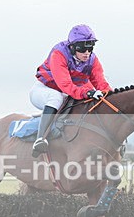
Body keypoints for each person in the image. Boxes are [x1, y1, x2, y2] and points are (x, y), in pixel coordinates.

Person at [30, 24, 112, 157]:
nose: (87, 53)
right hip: (45, 90)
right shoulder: (59, 54)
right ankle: (40, 139)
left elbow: (101, 82)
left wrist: (111, 96)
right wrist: (87, 92)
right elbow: (66, 85)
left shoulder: (92, 59)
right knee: (56, 98)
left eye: (90, 47)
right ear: (73, 47)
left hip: (70, 92)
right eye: (83, 48)